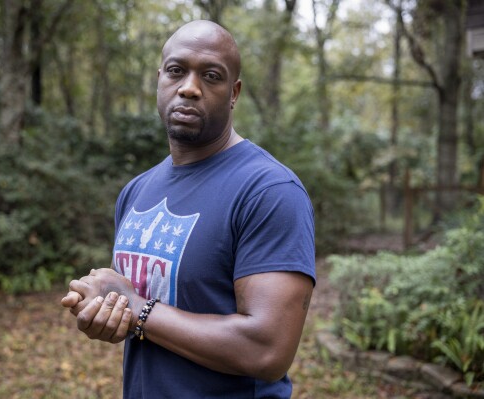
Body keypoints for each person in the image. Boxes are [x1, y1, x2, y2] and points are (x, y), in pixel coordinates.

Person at [61, 19, 316, 399]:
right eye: (177, 71)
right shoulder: (136, 191)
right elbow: (145, 317)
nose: (190, 88)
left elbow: (267, 349)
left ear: (234, 93)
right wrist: (109, 312)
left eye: (211, 76)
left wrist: (138, 309)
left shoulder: (269, 191)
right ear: (159, 79)